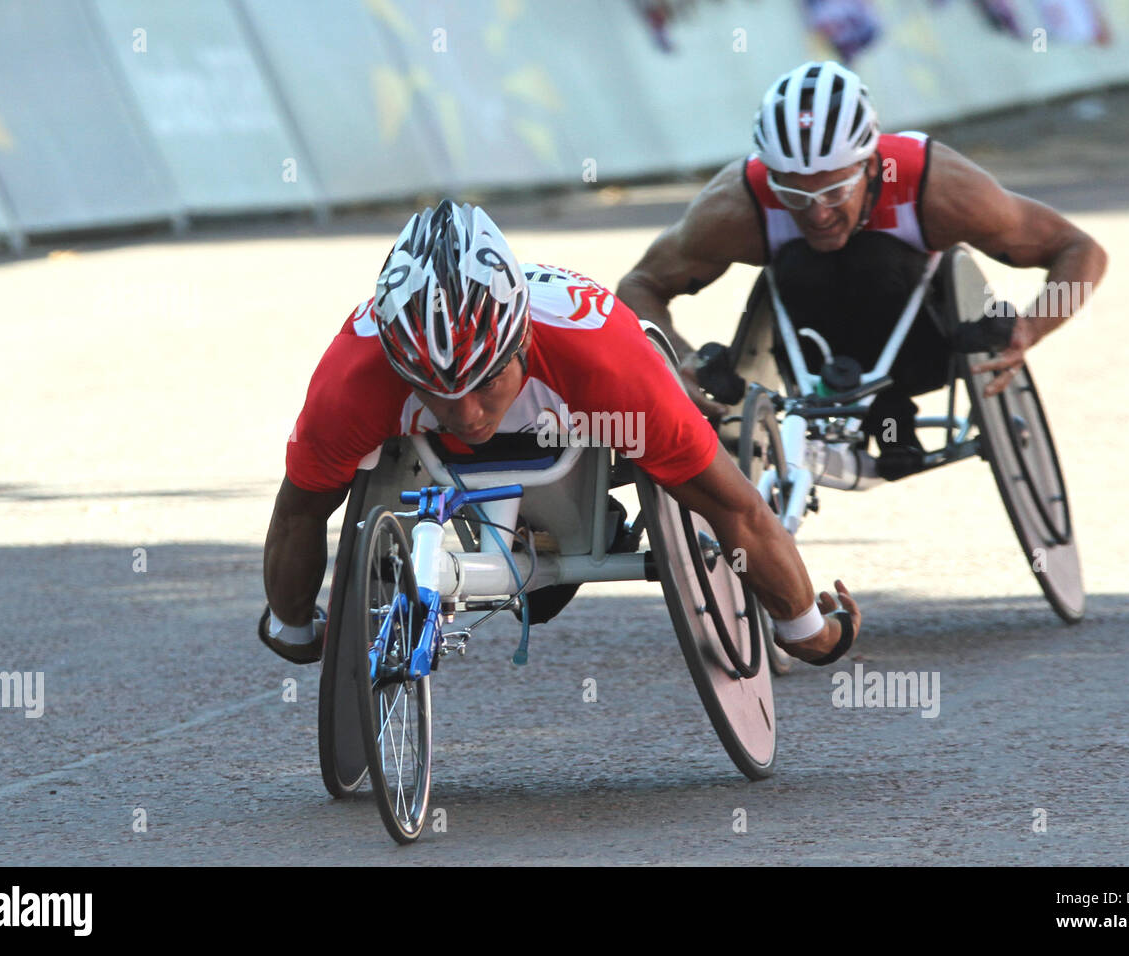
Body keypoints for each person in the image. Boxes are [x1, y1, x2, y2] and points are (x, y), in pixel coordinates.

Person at [259, 200, 861, 666]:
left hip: (584, 425)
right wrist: (291, 625)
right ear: (397, 363)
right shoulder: (355, 377)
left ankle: (591, 518)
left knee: (656, 478)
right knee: (534, 590)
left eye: (484, 382)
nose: (464, 412)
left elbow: (739, 511)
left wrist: (809, 631)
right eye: (434, 388)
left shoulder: (605, 361)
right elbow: (300, 513)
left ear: (521, 342)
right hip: (498, 433)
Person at [617, 60, 1107, 477]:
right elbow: (640, 286)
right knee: (803, 259)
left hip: (927, 345)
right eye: (794, 195)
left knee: (874, 256)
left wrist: (1031, 327)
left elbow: (1078, 248)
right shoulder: (736, 205)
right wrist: (679, 358)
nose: (816, 212)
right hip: (809, 348)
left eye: (833, 191)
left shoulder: (938, 186)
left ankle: (891, 408)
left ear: (871, 167)